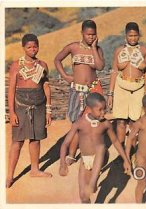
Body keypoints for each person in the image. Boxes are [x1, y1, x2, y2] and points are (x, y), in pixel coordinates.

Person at [59, 93, 131, 203]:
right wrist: (62, 164)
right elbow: (65, 144)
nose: (103, 112)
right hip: (86, 160)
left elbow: (115, 141)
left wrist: (126, 160)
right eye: (100, 110)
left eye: (105, 109)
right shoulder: (80, 123)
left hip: (102, 156)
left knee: (101, 147)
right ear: (89, 109)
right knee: (83, 196)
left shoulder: (105, 124)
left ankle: (93, 181)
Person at [54, 20, 105, 166]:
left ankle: (91, 153)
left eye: (93, 34)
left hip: (93, 89)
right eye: (88, 34)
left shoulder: (98, 49)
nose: (91, 37)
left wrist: (94, 48)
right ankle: (71, 154)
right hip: (77, 90)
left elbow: (100, 66)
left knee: (93, 123)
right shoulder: (73, 47)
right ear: (82, 33)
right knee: (77, 123)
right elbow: (57, 59)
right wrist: (64, 75)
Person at [7, 34, 52, 188]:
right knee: (17, 141)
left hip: (39, 106)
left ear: (38, 46)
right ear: (23, 48)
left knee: (36, 139)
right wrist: (12, 113)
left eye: (35, 46)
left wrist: (48, 110)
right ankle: (9, 176)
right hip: (21, 106)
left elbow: (46, 87)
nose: (33, 49)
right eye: (29, 47)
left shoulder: (43, 65)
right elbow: (11, 90)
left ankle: (35, 169)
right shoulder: (16, 66)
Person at [107, 22, 146, 147]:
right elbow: (114, 71)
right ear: (125, 36)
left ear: (139, 36)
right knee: (120, 120)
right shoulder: (119, 51)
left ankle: (131, 150)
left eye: (135, 35)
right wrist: (110, 93)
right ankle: (122, 153)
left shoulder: (144, 51)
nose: (132, 38)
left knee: (135, 120)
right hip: (121, 87)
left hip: (138, 88)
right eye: (130, 36)